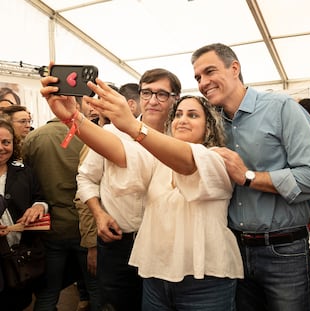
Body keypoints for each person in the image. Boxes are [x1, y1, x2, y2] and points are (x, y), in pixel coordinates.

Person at [40, 70, 244, 310]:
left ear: (209, 127)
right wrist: (73, 117)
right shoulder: (158, 160)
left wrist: (132, 127)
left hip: (204, 282)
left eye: (192, 115)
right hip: (156, 277)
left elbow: (188, 161)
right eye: (179, 114)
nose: (182, 120)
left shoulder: (216, 159)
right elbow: (117, 149)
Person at [191, 43, 310, 311]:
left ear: (235, 68)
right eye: (198, 78)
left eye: (209, 72)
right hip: (233, 249)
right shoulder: (212, 123)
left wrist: (248, 177)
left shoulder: (281, 109)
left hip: (284, 251)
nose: (203, 82)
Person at [77, 68, 181, 310]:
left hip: (163, 244)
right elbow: (85, 179)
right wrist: (99, 215)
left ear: (175, 98)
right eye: (147, 92)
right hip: (118, 243)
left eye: (162, 94)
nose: (153, 100)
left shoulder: (181, 139)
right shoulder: (112, 133)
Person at [22, 102, 100, 311]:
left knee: (48, 291)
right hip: (86, 224)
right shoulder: (93, 136)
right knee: (95, 288)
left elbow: (26, 179)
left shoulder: (33, 138)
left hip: (51, 226)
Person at [0, 119, 48, 310]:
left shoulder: (24, 172)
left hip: (19, 256)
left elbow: (41, 198)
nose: (1, 148)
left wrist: (39, 207)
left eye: (6, 142)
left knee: (19, 301)